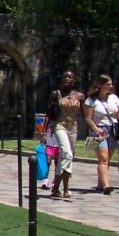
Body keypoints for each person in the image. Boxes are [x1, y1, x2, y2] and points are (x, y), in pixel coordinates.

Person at [83, 74, 119, 196]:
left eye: (111, 84)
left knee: (107, 159)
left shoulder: (114, 98)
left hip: (113, 129)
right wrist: (96, 129)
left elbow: (118, 116)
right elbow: (88, 118)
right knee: (103, 159)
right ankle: (106, 186)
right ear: (100, 85)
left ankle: (100, 183)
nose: (111, 86)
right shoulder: (91, 100)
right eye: (108, 84)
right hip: (98, 130)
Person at [50, 70, 84, 199]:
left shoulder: (79, 96)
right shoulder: (56, 94)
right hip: (60, 125)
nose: (67, 79)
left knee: (66, 158)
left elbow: (87, 116)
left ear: (74, 80)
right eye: (65, 76)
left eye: (70, 77)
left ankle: (56, 188)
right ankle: (66, 188)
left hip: (73, 128)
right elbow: (50, 113)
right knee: (67, 154)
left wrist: (96, 129)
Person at [40, 91, 60, 190]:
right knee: (48, 160)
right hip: (50, 137)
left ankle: (55, 181)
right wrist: (43, 134)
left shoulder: (62, 107)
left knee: (57, 161)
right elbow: (46, 120)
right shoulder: (50, 108)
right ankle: (45, 181)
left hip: (59, 136)